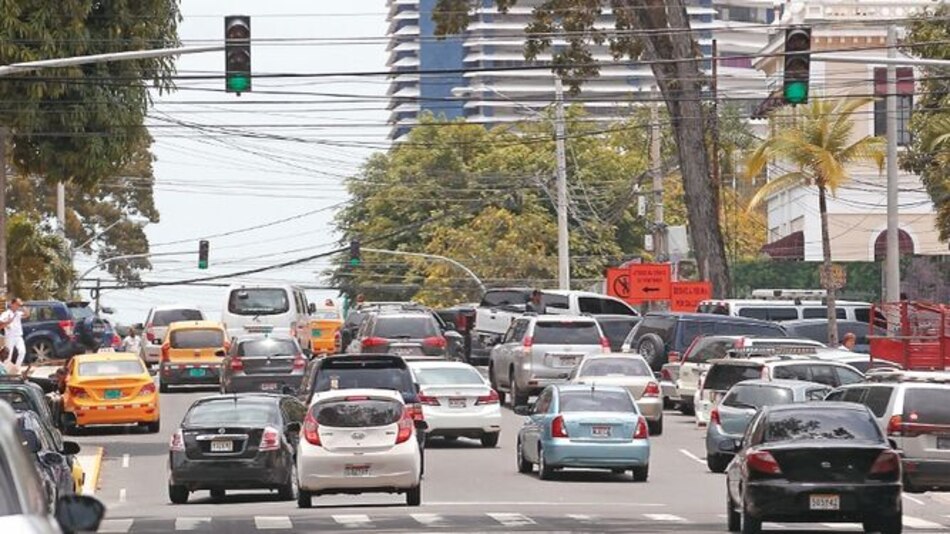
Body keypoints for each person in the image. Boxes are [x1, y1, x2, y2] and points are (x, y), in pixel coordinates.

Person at [0, 298, 30, 367]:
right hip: (10, 336)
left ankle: (16, 367)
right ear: (12, 304)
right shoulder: (6, 313)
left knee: (22, 352)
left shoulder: (18, 313)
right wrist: (7, 322)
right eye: (17, 304)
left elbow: (27, 315)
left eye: (19, 305)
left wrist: (23, 307)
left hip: (18, 336)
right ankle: (5, 371)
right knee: (8, 355)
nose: (18, 306)